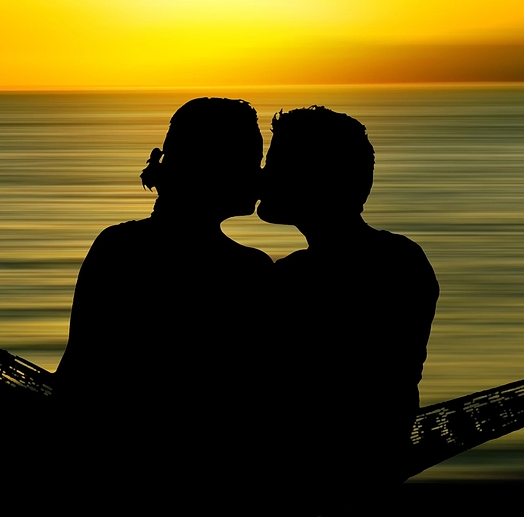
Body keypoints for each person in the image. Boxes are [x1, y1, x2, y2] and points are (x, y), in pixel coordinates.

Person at [54, 97, 274, 509]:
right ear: (216, 169)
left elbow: (78, 369)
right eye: (251, 160)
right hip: (207, 480)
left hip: (110, 463)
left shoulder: (116, 245)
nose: (260, 174)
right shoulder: (249, 271)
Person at [257, 106, 439, 511]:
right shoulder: (403, 259)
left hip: (311, 482)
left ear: (313, 178)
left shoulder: (291, 279)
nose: (263, 175)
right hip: (372, 468)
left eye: (276, 162)